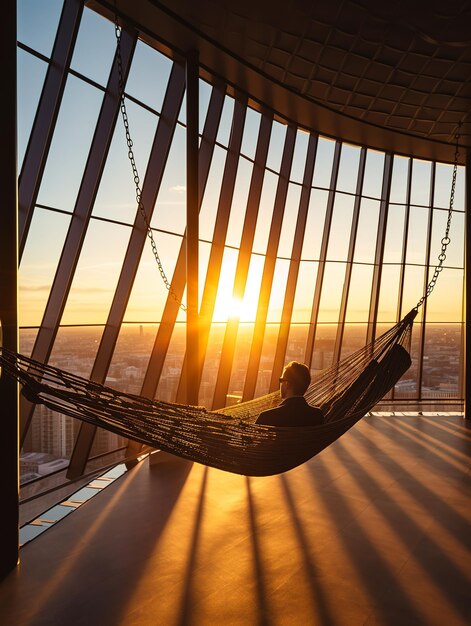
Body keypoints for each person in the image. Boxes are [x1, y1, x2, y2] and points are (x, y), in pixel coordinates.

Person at [255, 361, 324, 427]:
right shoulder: (317, 416)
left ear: (287, 384)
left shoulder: (267, 417)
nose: (280, 384)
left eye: (281, 380)